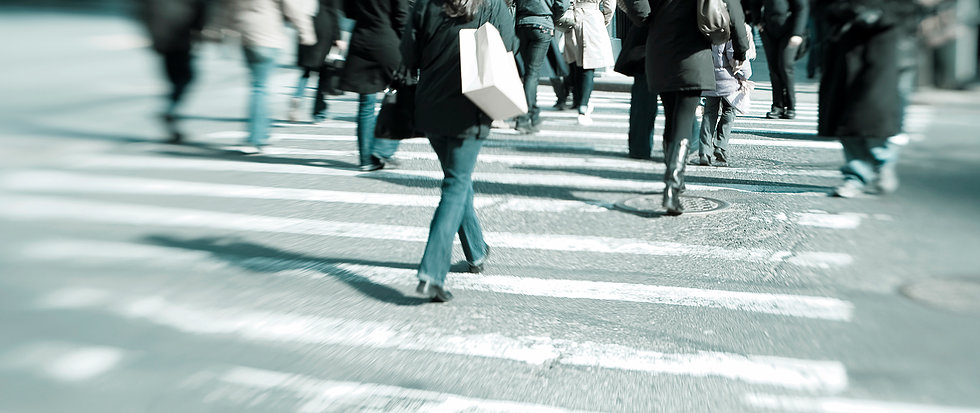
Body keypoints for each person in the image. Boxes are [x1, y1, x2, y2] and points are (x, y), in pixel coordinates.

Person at [400, 0, 515, 302]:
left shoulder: (425, 5)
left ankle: (476, 251)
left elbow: (408, 56)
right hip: (471, 107)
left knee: (457, 181)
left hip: (430, 108)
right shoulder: (492, 5)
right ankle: (432, 273)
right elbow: (507, 48)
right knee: (455, 184)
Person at [623, 0, 748, 215]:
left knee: (671, 116)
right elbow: (733, 9)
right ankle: (672, 185)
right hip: (693, 49)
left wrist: (646, 17)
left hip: (659, 45)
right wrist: (741, 48)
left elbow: (636, 4)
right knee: (683, 118)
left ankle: (675, 179)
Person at [819, 0, 919, 197]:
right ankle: (856, 175)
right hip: (847, 46)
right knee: (845, 114)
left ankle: (882, 162)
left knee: (876, 111)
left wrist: (881, 14)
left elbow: (911, 7)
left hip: (884, 46)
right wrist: (848, 10)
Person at [228, 0, 316, 152]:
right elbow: (291, 7)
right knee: (261, 88)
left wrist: (216, 30)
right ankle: (258, 137)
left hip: (246, 37)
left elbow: (226, 8)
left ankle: (256, 135)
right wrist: (305, 31)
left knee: (256, 86)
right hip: (268, 37)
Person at [341, 0, 410, 171]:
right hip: (388, 41)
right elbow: (401, 16)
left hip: (361, 41)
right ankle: (383, 148)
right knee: (400, 95)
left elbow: (349, 11)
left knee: (366, 103)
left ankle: (366, 159)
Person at [139, 0, 207, 144]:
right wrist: (198, 32)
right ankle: (171, 109)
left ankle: (172, 111)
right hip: (180, 36)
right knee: (185, 78)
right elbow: (200, 10)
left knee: (176, 77)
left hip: (163, 37)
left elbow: (145, 13)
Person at [696, 22, 753, 166]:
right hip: (729, 80)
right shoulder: (731, 30)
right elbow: (736, 57)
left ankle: (704, 151)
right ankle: (720, 146)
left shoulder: (706, 26)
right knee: (729, 111)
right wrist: (745, 76)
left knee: (709, 113)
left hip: (709, 77)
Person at [513, 0, 567, 133]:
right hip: (543, 22)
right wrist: (553, 16)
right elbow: (562, 4)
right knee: (532, 73)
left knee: (528, 73)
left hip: (522, 23)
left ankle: (530, 114)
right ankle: (525, 117)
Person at [750, 0, 808, 119]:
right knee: (774, 69)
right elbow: (754, 3)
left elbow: (802, 8)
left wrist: (797, 33)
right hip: (768, 30)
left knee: (785, 66)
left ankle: (791, 106)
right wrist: (757, 22)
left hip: (789, 30)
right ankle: (777, 106)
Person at [288, 0, 344, 124]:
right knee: (324, 72)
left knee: (306, 69)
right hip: (325, 27)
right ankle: (319, 113)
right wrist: (338, 37)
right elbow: (334, 11)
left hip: (307, 25)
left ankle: (297, 96)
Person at [613, 5, 656, 160]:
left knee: (643, 96)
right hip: (676, 31)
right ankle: (684, 144)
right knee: (681, 96)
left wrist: (644, 18)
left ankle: (640, 147)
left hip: (650, 30)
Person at [563, 0, 614, 126]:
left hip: (573, 17)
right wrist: (605, 19)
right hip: (592, 17)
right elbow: (610, 5)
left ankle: (578, 100)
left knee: (575, 62)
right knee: (589, 64)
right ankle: (583, 106)